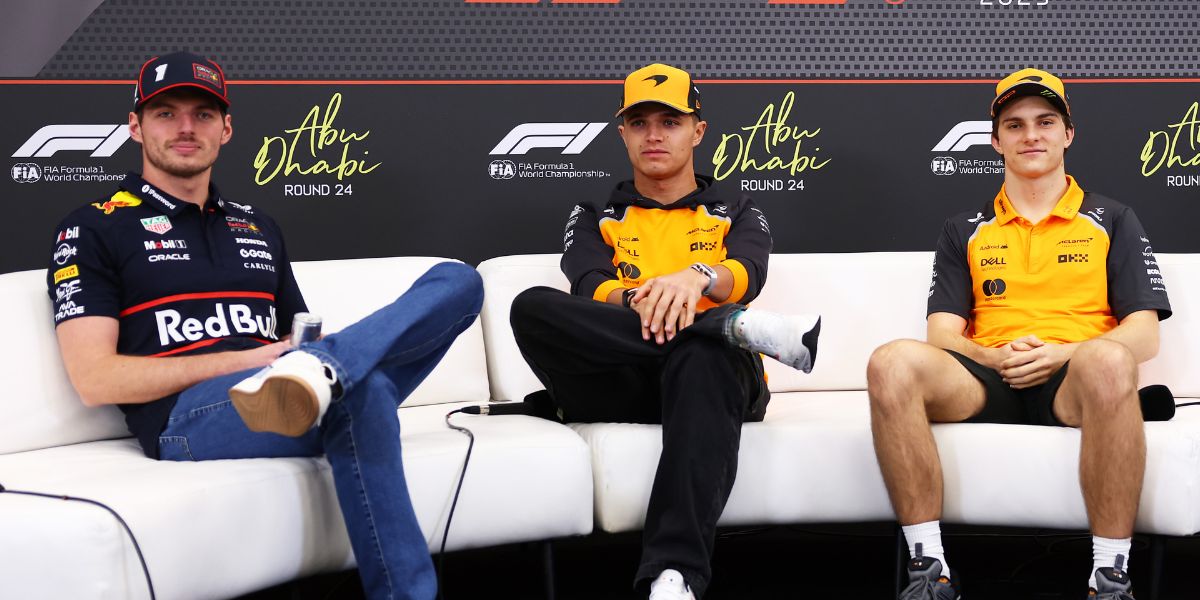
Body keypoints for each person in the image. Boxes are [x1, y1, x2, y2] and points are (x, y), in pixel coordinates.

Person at [46, 51, 482, 600]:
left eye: (204, 114)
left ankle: (327, 372)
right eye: (166, 113)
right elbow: (95, 379)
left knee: (458, 281)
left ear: (225, 130)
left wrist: (305, 356)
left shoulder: (257, 225)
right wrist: (255, 360)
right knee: (364, 391)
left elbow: (296, 336)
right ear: (135, 127)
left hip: (287, 386)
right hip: (184, 417)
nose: (186, 127)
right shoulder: (94, 227)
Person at [509, 63, 821, 600]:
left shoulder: (737, 208)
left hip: (712, 382)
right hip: (622, 378)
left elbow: (749, 272)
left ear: (698, 131)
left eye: (670, 122)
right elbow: (588, 284)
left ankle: (672, 577)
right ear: (623, 133)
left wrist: (695, 277)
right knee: (532, 307)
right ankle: (729, 327)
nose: (654, 135)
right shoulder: (596, 213)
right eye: (640, 122)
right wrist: (645, 300)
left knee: (703, 357)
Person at [867, 68, 1172, 600]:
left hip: (1075, 378)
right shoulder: (964, 227)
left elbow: (1144, 335)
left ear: (1068, 134)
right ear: (996, 141)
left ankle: (1110, 577)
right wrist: (994, 355)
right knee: (890, 362)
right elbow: (942, 333)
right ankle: (929, 570)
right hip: (988, 377)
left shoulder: (1113, 218)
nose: (1031, 135)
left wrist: (1060, 354)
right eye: (1015, 124)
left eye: (1045, 122)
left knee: (1110, 360)